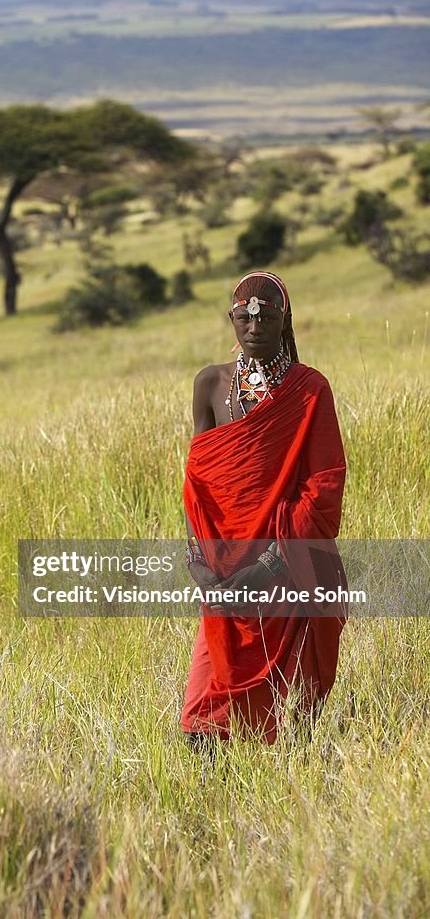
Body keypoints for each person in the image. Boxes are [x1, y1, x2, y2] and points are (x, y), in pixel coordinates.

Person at [181, 270, 347, 748]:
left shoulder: (309, 390)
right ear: (231, 321)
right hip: (222, 563)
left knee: (276, 712)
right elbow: (198, 483)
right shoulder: (210, 385)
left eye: (267, 317)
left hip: (282, 565)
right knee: (202, 722)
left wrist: (272, 563)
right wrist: (196, 560)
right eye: (243, 317)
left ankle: (275, 784)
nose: (254, 327)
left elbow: (323, 485)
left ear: (284, 321)